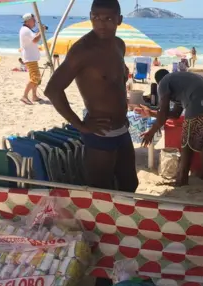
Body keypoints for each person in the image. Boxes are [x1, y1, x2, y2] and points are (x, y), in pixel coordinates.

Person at [45, 0, 138, 193]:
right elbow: (52, 90)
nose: (101, 23)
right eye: (96, 17)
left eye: (108, 18)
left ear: (119, 20)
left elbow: (115, 84)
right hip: (99, 132)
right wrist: (80, 125)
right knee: (100, 190)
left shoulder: (119, 45)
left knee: (130, 184)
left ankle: (121, 221)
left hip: (122, 128)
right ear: (90, 17)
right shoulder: (83, 50)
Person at [139, 69, 203, 186]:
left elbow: (163, 114)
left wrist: (151, 132)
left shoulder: (163, 83)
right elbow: (175, 114)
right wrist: (152, 113)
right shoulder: (179, 82)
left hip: (198, 104)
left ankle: (182, 179)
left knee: (187, 143)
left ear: (158, 83)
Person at [19, 13, 44, 105]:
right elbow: (35, 40)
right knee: (35, 77)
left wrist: (40, 31)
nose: (34, 22)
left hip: (30, 57)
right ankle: (24, 96)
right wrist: (41, 32)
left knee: (35, 77)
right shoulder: (26, 30)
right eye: (33, 20)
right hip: (30, 57)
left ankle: (34, 95)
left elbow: (34, 37)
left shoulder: (26, 30)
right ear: (28, 20)